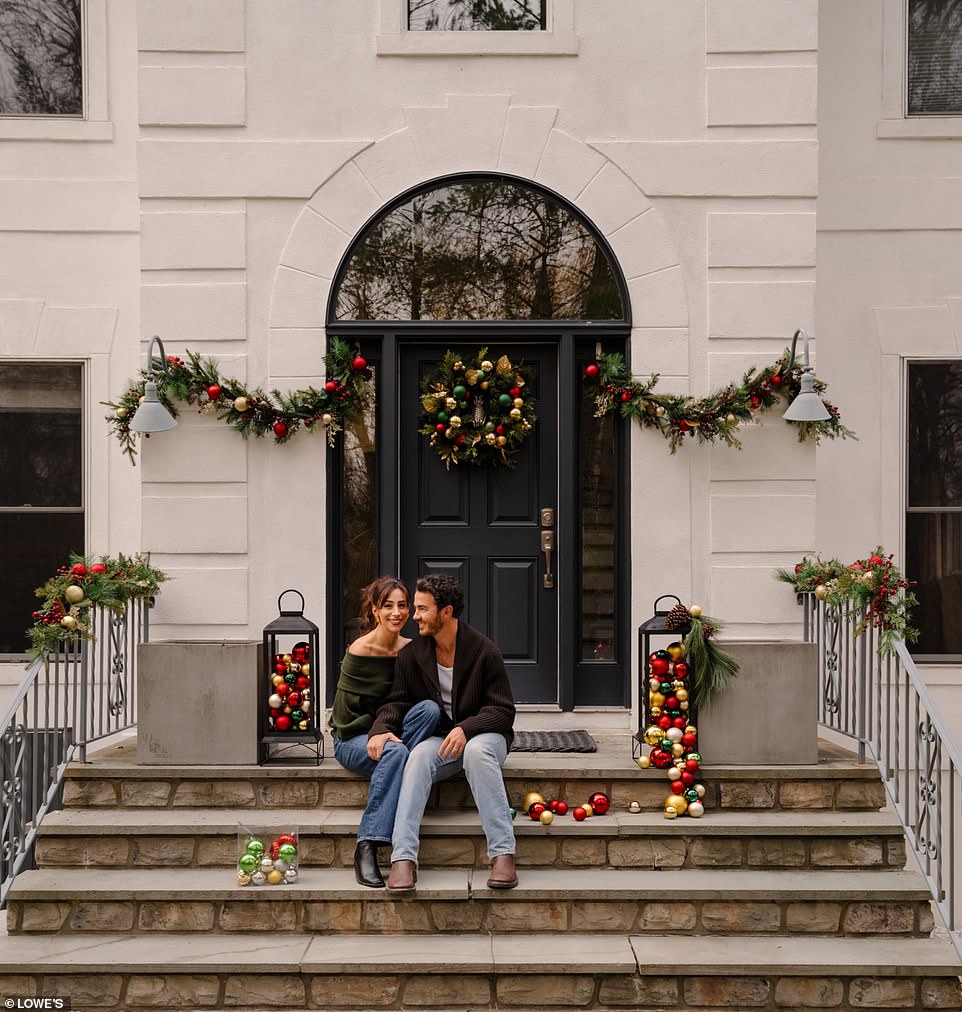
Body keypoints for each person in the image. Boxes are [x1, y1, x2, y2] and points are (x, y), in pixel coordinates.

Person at [368, 573, 518, 892]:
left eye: (422, 609)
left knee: (477, 753)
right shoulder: (413, 655)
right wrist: (381, 729)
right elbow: (396, 701)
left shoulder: (484, 652)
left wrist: (468, 728)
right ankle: (403, 858)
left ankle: (503, 853)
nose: (415, 617)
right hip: (444, 739)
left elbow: (503, 711)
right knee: (419, 756)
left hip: (487, 737)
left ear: (445, 612)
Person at [329, 576, 441, 888]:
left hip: (393, 733)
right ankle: (367, 844)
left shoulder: (411, 649)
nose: (397, 612)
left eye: (402, 605)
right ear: (375, 610)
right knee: (395, 751)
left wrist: (388, 730)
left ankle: (396, 762)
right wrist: (376, 734)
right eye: (388, 605)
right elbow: (345, 716)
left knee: (429, 712)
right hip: (353, 738)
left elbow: (416, 702)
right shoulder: (360, 650)